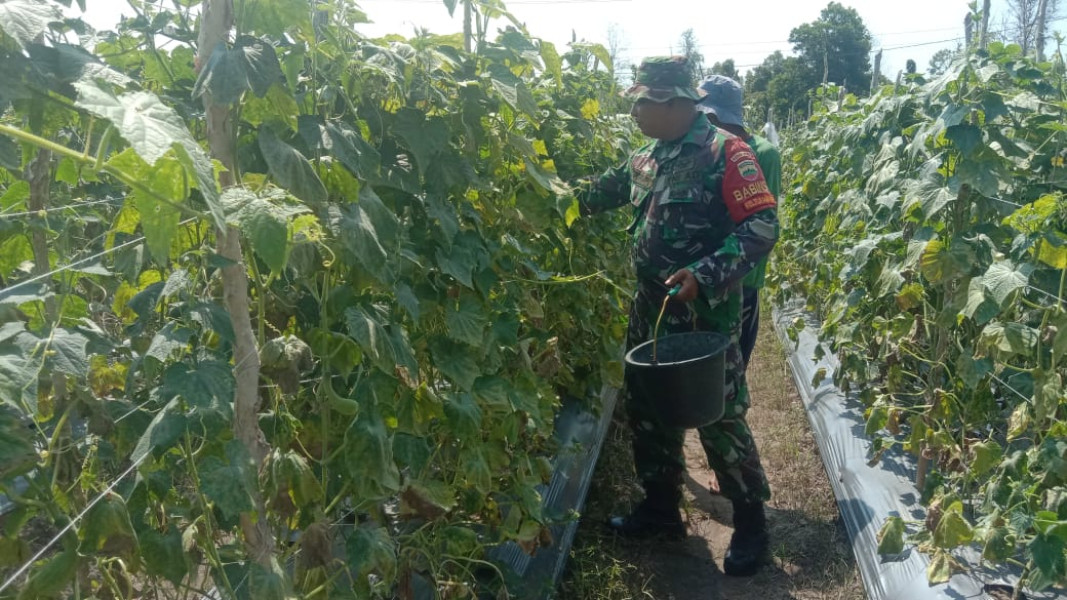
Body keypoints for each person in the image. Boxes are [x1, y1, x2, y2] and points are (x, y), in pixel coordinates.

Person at [575, 56, 778, 577]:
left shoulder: (726, 153)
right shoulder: (648, 155)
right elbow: (599, 192)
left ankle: (751, 523)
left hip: (705, 310)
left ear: (674, 104)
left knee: (719, 412)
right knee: (647, 403)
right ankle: (661, 508)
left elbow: (761, 227)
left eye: (643, 102)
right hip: (651, 305)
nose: (636, 111)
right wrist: (544, 196)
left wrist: (705, 273)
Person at [695, 74, 782, 369]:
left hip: (741, 275)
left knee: (734, 360)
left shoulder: (763, 154)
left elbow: (762, 220)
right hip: (705, 271)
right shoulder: (706, 149)